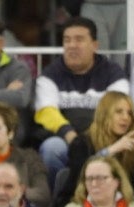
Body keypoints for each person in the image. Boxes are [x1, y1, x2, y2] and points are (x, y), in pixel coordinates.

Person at [32, 19, 129, 178]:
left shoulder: (113, 73)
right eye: (67, 40)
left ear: (95, 45)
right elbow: (46, 112)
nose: (71, 45)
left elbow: (117, 109)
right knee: (52, 149)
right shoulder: (50, 75)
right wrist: (71, 135)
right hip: (63, 138)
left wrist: (87, 141)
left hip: (101, 137)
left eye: (79, 39)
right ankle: (57, 200)